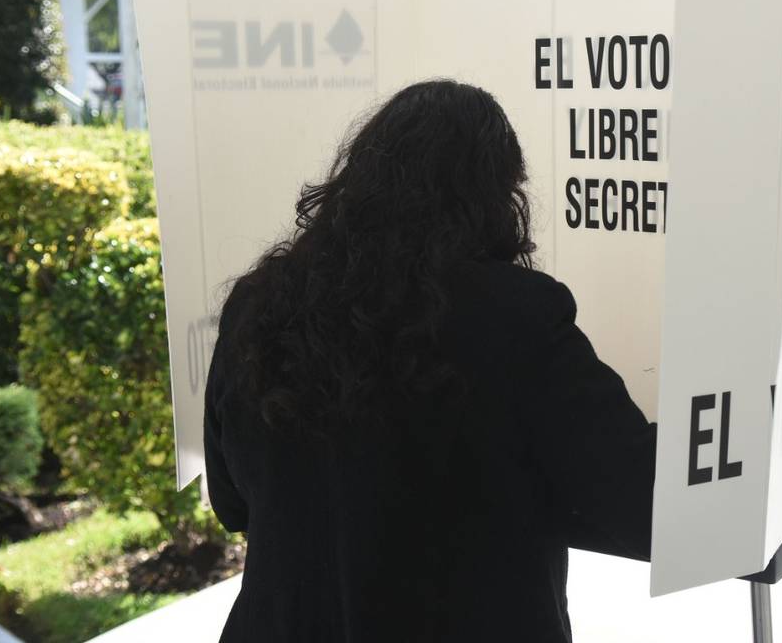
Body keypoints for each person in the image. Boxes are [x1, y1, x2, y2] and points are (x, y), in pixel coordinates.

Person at [204, 79, 657, 642]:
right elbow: (640, 500)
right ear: (496, 196)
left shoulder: (259, 304)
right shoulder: (517, 317)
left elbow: (232, 502)